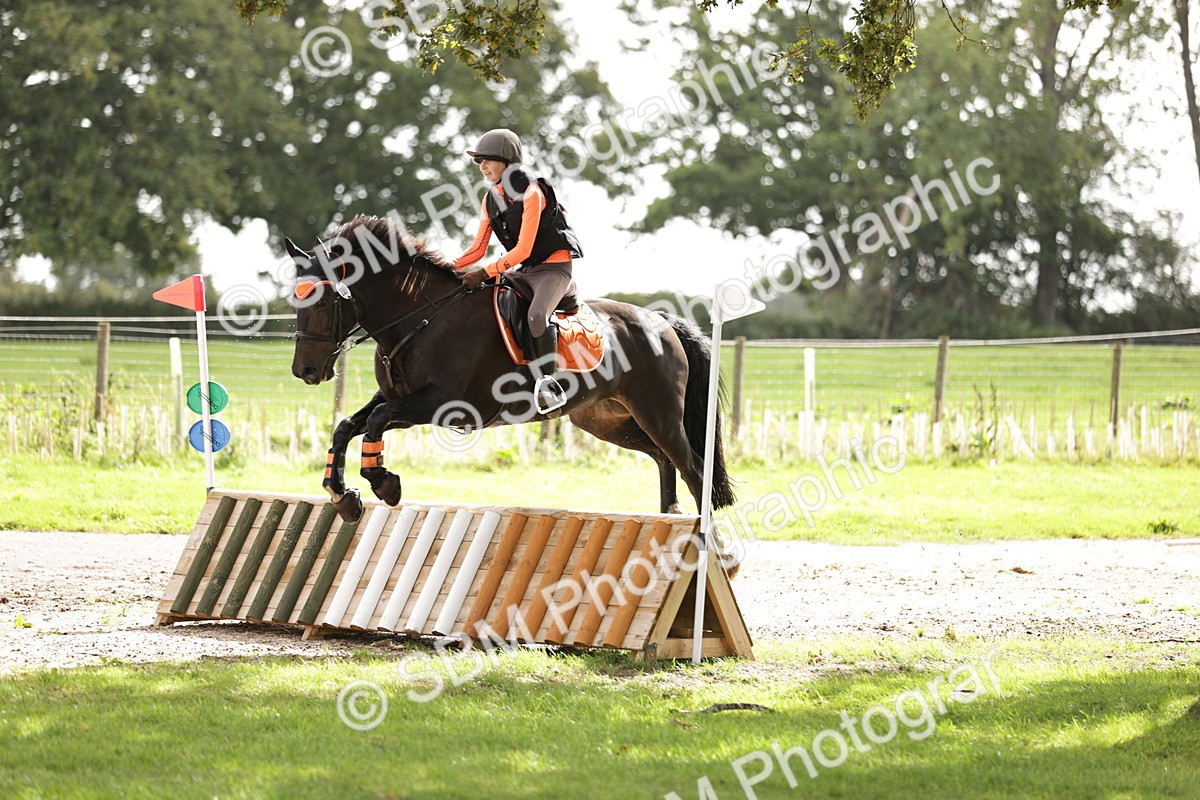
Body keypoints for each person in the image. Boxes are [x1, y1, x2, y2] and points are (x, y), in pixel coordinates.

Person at [452, 128, 583, 413]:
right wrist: (446, 267)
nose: (483, 166)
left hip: (555, 268)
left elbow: (523, 249)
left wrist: (483, 273)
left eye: (488, 160)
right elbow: (477, 249)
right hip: (525, 270)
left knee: (537, 316)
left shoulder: (533, 191)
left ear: (508, 162)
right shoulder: (490, 199)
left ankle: (549, 384)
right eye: (479, 162)